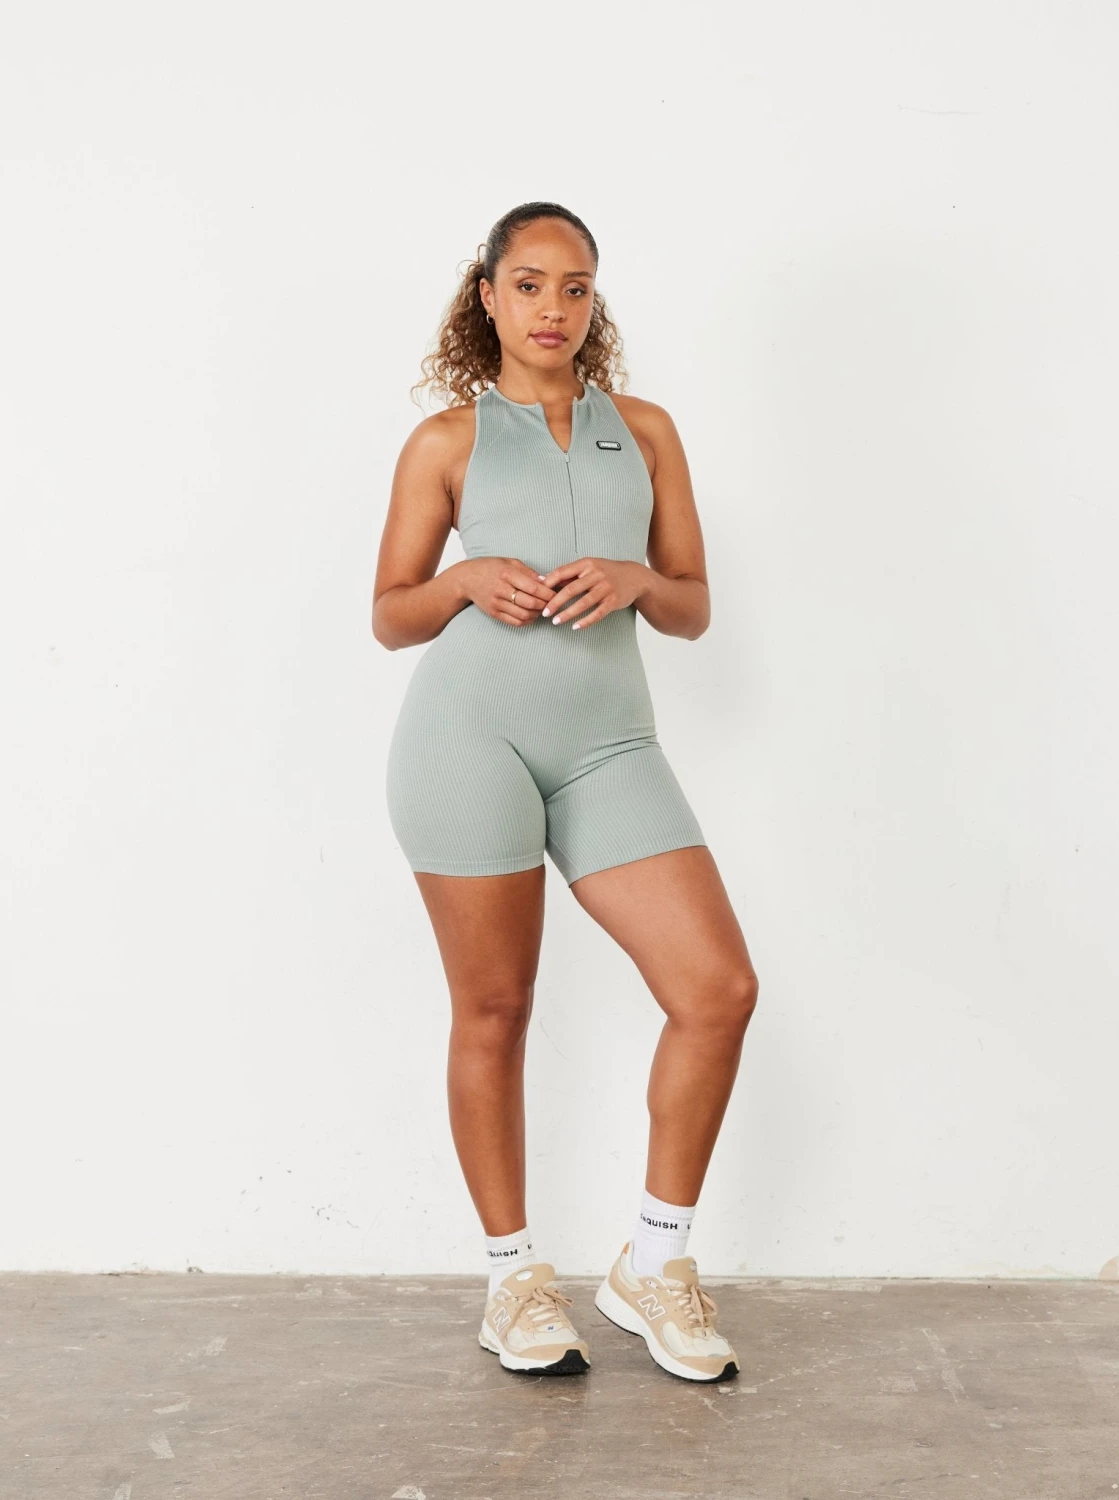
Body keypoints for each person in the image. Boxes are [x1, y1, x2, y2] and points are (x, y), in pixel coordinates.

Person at [373, 201, 758, 1383]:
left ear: (595, 300)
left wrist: (639, 578)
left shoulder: (643, 431)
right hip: (469, 741)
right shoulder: (446, 443)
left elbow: (692, 607)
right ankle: (514, 1282)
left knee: (718, 990)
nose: (553, 308)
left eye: (576, 287)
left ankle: (655, 1263)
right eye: (530, 284)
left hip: (609, 748)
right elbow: (390, 614)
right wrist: (461, 581)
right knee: (496, 1009)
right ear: (488, 294)